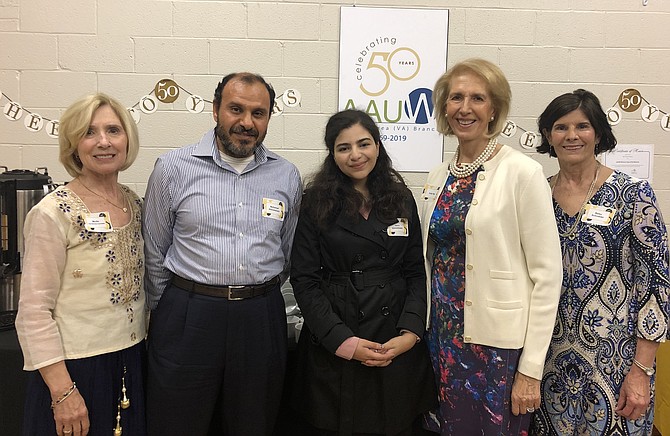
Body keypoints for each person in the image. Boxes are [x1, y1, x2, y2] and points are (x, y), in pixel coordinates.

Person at [143, 72, 302, 436]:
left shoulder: (286, 175)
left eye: (258, 113)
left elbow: (288, 249)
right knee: (176, 422)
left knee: (254, 422)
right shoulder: (172, 168)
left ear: (268, 118)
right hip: (188, 313)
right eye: (236, 109)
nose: (246, 123)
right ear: (216, 110)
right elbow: (154, 249)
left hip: (259, 316)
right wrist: (165, 313)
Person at [419, 58, 563, 435]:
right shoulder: (437, 176)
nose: (465, 108)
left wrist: (530, 369)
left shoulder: (521, 171)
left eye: (477, 98)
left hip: (497, 347)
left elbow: (547, 276)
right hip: (444, 337)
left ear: (494, 109)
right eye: (455, 98)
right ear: (444, 107)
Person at [531, 89, 670, 435]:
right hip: (546, 360)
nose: (572, 136)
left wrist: (642, 369)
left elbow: (656, 285)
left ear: (599, 133)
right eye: (560, 127)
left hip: (617, 362)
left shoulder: (633, 194)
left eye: (583, 126)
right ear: (548, 136)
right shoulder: (535, 195)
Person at [289, 109, 436, 436]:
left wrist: (410, 332)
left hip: (394, 336)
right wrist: (343, 341)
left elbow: (415, 272)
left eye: (364, 144)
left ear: (378, 146)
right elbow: (304, 280)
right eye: (344, 148)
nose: (355, 155)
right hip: (337, 338)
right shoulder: (316, 202)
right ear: (332, 154)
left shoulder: (401, 198)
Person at [15, 93, 146, 436]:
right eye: (89, 132)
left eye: (113, 130)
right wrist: (63, 392)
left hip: (132, 361)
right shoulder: (52, 212)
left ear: (127, 139)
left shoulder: (133, 203)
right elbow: (32, 311)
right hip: (74, 370)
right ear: (74, 145)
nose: (103, 141)